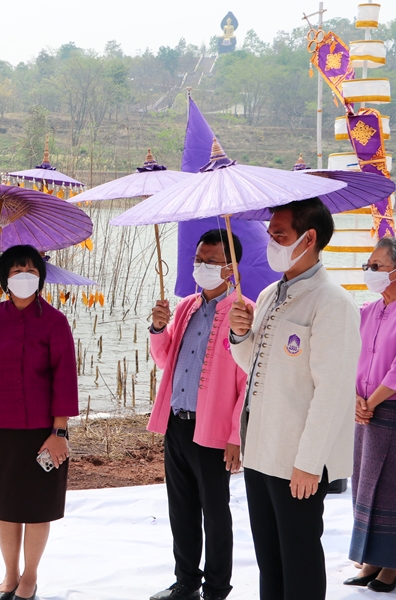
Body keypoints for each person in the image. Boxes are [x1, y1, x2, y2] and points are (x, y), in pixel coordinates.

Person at [228, 198, 360, 600]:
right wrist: (240, 335)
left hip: (297, 461)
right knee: (270, 561)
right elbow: (254, 366)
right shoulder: (270, 293)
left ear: (309, 238)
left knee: (299, 560)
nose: (271, 242)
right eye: (270, 235)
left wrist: (308, 464)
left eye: (279, 235)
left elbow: (333, 393)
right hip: (261, 452)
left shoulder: (332, 302)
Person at [0, 245, 79, 600]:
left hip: (43, 432)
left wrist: (59, 432)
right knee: (6, 506)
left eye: (30, 270)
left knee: (38, 506)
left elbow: (65, 381)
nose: (24, 276)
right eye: (15, 271)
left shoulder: (56, 322)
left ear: (40, 277)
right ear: (4, 280)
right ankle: (10, 575)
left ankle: (30, 578)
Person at [147, 229, 249, 600]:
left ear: (230, 268)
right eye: (199, 259)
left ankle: (217, 588)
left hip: (214, 430)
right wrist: (158, 328)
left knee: (216, 513)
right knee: (182, 507)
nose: (202, 266)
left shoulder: (242, 312)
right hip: (178, 421)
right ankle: (186, 580)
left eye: (211, 261)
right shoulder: (185, 307)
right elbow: (164, 359)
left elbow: (247, 381)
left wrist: (236, 437)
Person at [344, 237, 396, 593]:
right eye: (368, 266)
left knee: (390, 487)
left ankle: (391, 564)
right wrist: (357, 399)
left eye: (376, 266)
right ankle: (371, 559)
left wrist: (373, 401)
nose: (370, 272)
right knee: (364, 483)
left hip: (389, 406)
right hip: (363, 409)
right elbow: (349, 354)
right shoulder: (368, 310)